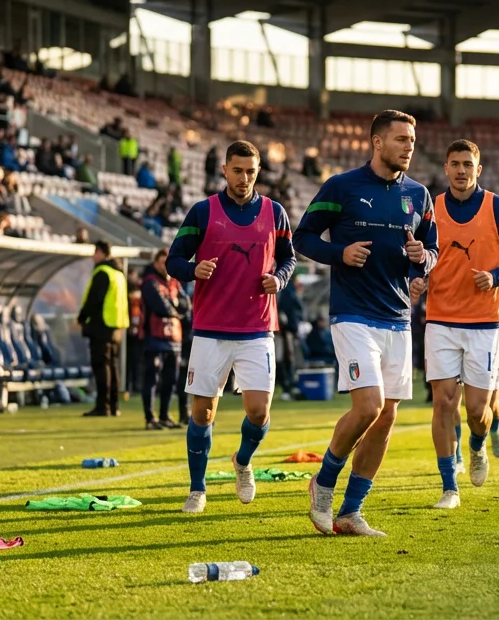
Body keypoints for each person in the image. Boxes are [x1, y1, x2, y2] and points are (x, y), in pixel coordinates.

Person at [293, 110, 437, 536]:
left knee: (387, 416)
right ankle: (323, 483)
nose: (409, 146)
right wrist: (340, 253)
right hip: (353, 314)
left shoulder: (419, 194)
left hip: (397, 317)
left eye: (412, 139)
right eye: (400, 139)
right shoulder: (342, 186)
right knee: (369, 407)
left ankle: (351, 512)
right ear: (376, 142)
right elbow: (302, 237)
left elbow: (431, 248)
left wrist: (421, 264)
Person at [164, 142, 298, 513]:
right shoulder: (203, 211)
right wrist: (193, 270)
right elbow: (173, 260)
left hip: (257, 328)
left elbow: (289, 259)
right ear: (224, 170)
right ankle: (197, 489)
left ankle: (242, 460)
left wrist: (280, 278)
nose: (244, 178)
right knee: (203, 413)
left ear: (258, 172)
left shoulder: (276, 212)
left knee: (259, 412)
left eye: (251, 172)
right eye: (237, 171)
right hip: (211, 328)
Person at [416, 139, 499, 510]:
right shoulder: (430, 208)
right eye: (455, 164)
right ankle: (450, 487)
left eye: (468, 164)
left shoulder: (498, 206)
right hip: (440, 320)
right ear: (445, 168)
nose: (461, 170)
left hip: (484, 322)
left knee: (478, 411)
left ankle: (477, 444)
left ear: (478, 170)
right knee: (443, 403)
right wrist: (416, 277)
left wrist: (496, 276)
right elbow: (418, 255)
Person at [140, 247, 190, 429]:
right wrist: (176, 309)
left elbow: (187, 304)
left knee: (171, 380)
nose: (165, 266)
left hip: (174, 339)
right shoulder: (149, 282)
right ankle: (150, 418)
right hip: (155, 338)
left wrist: (175, 309)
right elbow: (160, 306)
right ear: (155, 263)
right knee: (152, 379)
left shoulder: (175, 283)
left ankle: (164, 416)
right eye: (162, 262)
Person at [78, 240, 129, 418]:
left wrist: (82, 317)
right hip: (117, 326)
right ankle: (114, 406)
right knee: (113, 366)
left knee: (101, 366)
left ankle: (102, 406)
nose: (94, 256)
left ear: (100, 252)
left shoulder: (102, 272)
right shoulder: (119, 273)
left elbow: (94, 299)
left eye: (95, 252)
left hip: (102, 325)